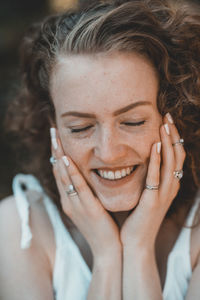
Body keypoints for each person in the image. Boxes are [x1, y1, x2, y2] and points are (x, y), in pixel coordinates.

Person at [0, 0, 200, 299]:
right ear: (52, 125)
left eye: (132, 122)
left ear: (175, 114)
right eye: (80, 127)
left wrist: (138, 248)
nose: (108, 153)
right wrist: (107, 256)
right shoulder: (18, 228)